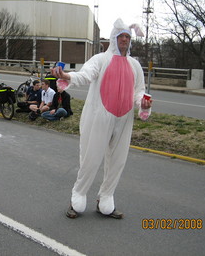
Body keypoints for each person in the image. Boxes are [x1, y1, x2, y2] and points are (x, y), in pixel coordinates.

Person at [51, 18, 152, 220]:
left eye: (127, 37)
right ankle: (77, 197)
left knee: (117, 162)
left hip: (123, 120)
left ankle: (106, 199)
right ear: (114, 39)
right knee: (91, 159)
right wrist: (67, 76)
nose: (124, 39)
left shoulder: (135, 65)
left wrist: (143, 103)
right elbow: (85, 75)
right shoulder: (100, 59)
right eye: (121, 36)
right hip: (99, 117)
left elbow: (139, 92)